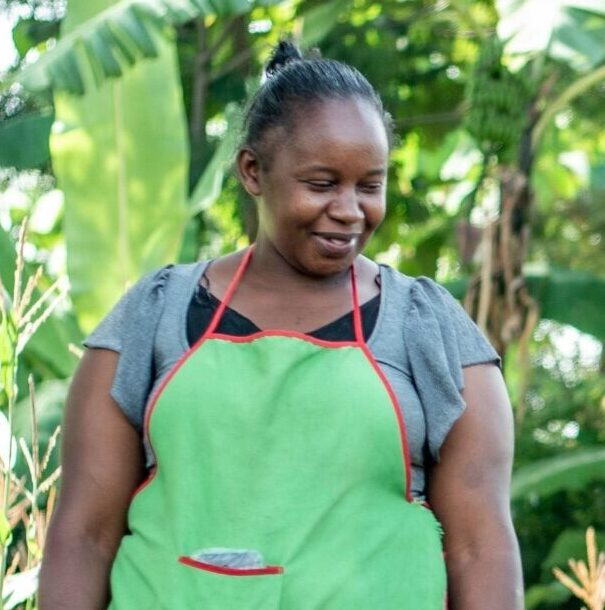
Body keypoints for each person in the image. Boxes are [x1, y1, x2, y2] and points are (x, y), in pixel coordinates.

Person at [39, 41, 523, 609]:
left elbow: (479, 547)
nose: (349, 210)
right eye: (321, 184)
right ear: (253, 171)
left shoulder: (426, 325)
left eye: (370, 185)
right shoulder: (158, 312)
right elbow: (85, 536)